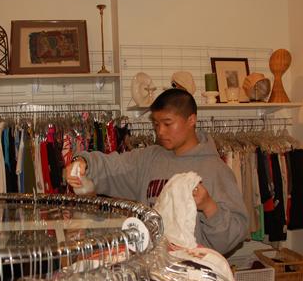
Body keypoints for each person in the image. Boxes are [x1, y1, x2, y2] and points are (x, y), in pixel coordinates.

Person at [66, 88, 249, 255]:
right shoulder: (149, 158)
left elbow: (233, 236)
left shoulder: (216, 170)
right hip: (150, 271)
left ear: (191, 120)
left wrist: (209, 206)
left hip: (193, 278)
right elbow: (111, 165)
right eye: (156, 124)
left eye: (167, 123)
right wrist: (83, 162)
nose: (160, 131)